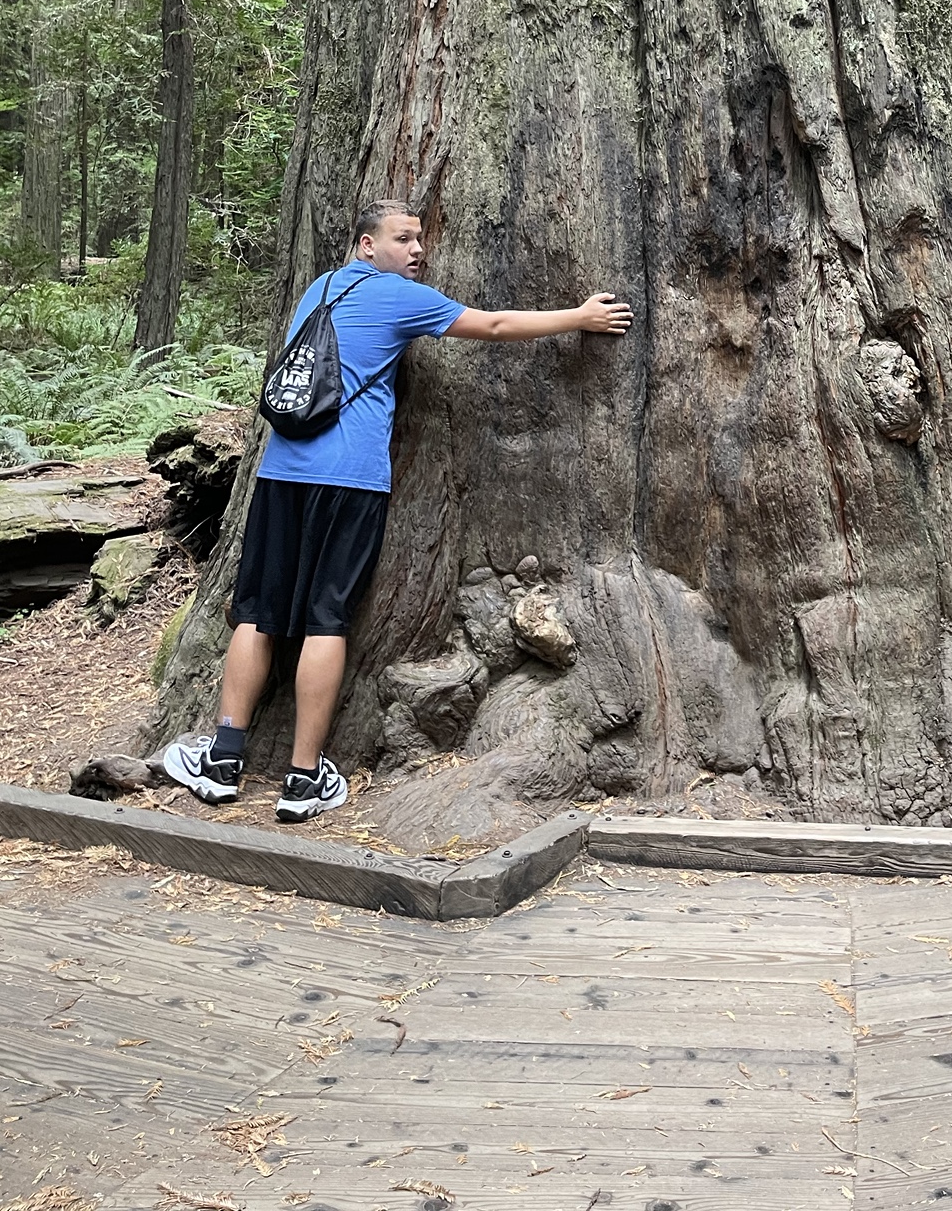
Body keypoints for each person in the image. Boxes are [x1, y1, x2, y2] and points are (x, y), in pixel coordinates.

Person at [165, 200, 632, 822]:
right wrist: (579, 316)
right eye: (402, 238)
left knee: (258, 613)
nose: (417, 250)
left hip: (281, 472)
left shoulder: (321, 288)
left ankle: (223, 763)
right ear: (367, 245)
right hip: (351, 480)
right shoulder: (397, 298)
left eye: (420, 240)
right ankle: (303, 780)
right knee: (325, 619)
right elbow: (491, 326)